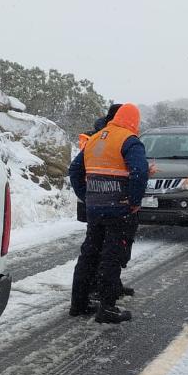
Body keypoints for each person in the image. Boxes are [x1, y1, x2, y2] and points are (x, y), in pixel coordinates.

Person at [68, 103, 148, 324]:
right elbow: (139, 172)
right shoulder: (130, 141)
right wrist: (134, 201)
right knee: (111, 257)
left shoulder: (94, 139)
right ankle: (107, 308)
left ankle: (78, 304)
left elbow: (74, 170)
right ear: (134, 121)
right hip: (118, 209)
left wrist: (87, 195)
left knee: (89, 254)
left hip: (95, 208)